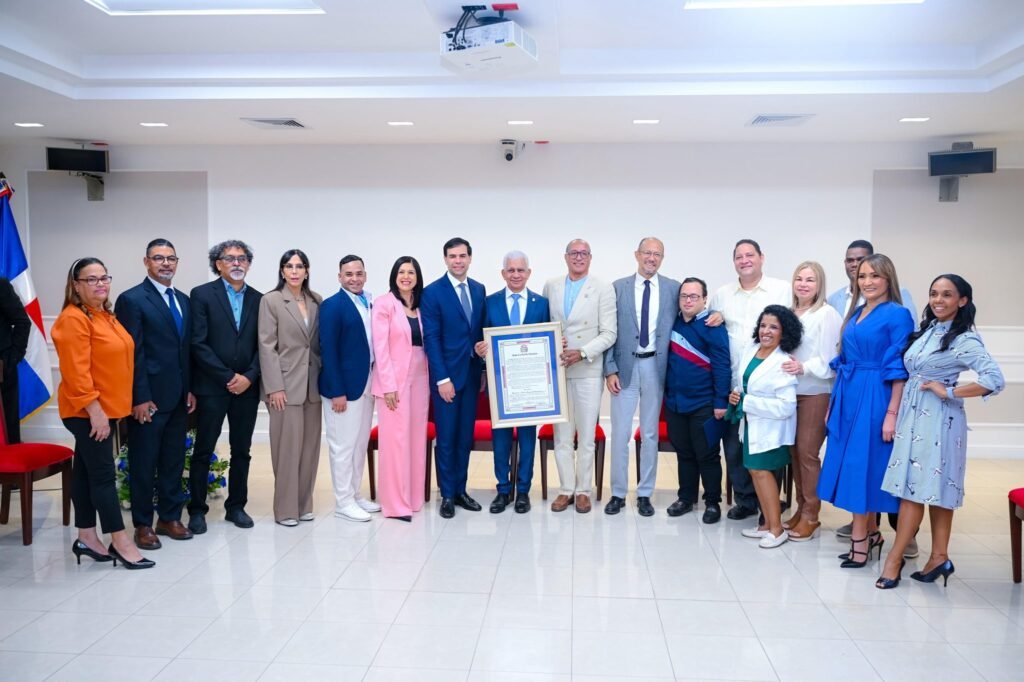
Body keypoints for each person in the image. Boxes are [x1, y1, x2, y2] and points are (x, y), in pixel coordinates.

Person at [876, 275, 1004, 589]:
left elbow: (994, 379)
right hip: (914, 416)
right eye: (934, 293)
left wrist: (950, 392)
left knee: (914, 491)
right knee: (935, 488)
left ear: (962, 301)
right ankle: (939, 557)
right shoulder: (930, 330)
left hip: (939, 421)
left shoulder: (965, 339)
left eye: (947, 295)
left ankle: (894, 559)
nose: (938, 300)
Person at [53, 258, 153, 569]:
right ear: (76, 285)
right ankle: (120, 542)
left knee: (84, 473)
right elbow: (76, 372)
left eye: (104, 278)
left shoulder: (103, 316)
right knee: (103, 476)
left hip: (105, 410)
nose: (100, 284)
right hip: (86, 412)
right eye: (91, 279)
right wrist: (95, 410)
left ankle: (86, 536)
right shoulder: (73, 319)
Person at [817, 254, 914, 568]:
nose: (868, 282)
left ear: (888, 279)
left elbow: (899, 366)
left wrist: (892, 413)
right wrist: (834, 403)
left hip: (877, 395)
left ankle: (860, 539)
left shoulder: (897, 314)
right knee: (851, 463)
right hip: (849, 392)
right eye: (862, 276)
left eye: (875, 276)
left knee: (864, 467)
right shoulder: (857, 312)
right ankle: (871, 533)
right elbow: (844, 359)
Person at [115, 238, 195, 550]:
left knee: (174, 459)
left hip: (178, 398)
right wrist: (138, 397)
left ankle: (170, 517)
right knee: (144, 463)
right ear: (146, 262)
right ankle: (143, 524)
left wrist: (189, 391)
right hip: (147, 400)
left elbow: (184, 351)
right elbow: (131, 353)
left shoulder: (183, 300)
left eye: (171, 258)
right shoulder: (132, 299)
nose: (165, 264)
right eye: (158, 258)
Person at [707, 239, 790, 521]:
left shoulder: (781, 290)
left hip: (769, 380)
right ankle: (745, 500)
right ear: (734, 262)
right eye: (739, 257)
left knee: (767, 446)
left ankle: (771, 504)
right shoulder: (722, 294)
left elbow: (790, 331)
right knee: (735, 447)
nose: (745, 260)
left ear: (761, 258)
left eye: (750, 255)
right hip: (735, 381)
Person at [188, 240, 262, 533]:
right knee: (204, 449)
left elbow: (264, 345)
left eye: (242, 258)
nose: (236, 263)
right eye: (229, 258)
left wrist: (249, 376)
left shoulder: (259, 299)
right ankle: (197, 510)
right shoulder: (202, 295)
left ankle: (236, 507)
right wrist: (226, 376)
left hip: (248, 387)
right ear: (217, 264)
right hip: (212, 387)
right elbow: (198, 342)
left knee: (241, 449)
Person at [605, 238, 680, 516]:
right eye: (647, 252)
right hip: (625, 368)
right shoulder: (618, 288)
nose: (651, 258)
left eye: (657, 254)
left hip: (656, 369)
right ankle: (617, 493)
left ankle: (645, 493)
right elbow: (609, 330)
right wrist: (609, 368)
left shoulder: (673, 288)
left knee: (649, 433)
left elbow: (691, 313)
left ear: (662, 258)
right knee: (621, 432)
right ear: (637, 255)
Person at [542, 239, 617, 513]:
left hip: (587, 369)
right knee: (562, 434)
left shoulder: (603, 288)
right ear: (565, 257)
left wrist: (583, 352)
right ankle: (565, 489)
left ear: (590, 257)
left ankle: (584, 490)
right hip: (558, 370)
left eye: (583, 253)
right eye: (573, 253)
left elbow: (610, 333)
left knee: (585, 434)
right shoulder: (551, 285)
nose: (578, 257)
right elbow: (543, 325)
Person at [473, 250, 550, 514]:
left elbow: (546, 341)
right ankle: (503, 490)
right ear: (503, 273)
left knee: (528, 438)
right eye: (511, 270)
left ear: (528, 273)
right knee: (501, 439)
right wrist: (480, 349)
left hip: (530, 386)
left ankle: (524, 492)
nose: (516, 275)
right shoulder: (489, 302)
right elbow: (480, 337)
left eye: (521, 270)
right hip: (499, 385)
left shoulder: (542, 304)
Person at [420, 237, 486, 519]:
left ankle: (460, 490)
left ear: (470, 258)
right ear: (445, 259)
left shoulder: (479, 289)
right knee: (446, 439)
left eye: (462, 256)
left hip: (472, 377)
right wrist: (441, 379)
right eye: (452, 256)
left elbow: (481, 332)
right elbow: (431, 340)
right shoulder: (432, 292)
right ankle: (446, 494)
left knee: (463, 438)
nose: (458, 261)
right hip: (446, 380)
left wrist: (482, 364)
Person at [258, 249, 322, 526]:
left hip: (313, 386)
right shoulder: (271, 301)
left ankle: (303, 504)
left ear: (307, 270)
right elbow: (266, 346)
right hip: (284, 386)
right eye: (289, 266)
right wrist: (274, 387)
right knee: (286, 450)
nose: (294, 271)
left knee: (309, 449)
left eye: (299, 266)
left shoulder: (317, 300)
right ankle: (285, 509)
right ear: (282, 271)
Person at [730, 304, 801, 548]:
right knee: (754, 473)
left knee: (762, 473)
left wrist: (747, 402)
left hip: (771, 429)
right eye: (763, 325)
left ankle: (777, 529)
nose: (766, 331)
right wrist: (736, 396)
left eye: (774, 327)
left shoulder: (783, 362)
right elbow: (745, 383)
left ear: (785, 332)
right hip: (751, 426)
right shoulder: (751, 350)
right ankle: (765, 526)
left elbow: (786, 407)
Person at [780, 261, 842, 541]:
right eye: (799, 279)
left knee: (807, 453)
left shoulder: (826, 314)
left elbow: (830, 358)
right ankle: (800, 508)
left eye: (810, 280)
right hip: (789, 392)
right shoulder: (790, 313)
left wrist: (803, 368)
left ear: (820, 286)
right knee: (793, 453)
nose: (803, 284)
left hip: (815, 391)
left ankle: (811, 515)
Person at [319, 255, 382, 522]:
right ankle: (343, 501)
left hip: (366, 384)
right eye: (348, 274)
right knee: (342, 445)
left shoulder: (370, 301)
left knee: (358, 444)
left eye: (358, 273)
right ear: (339, 277)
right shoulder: (332, 306)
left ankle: (355, 495)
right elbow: (328, 350)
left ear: (365, 275)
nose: (354, 278)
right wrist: (337, 391)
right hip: (343, 389)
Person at [663, 277, 731, 523]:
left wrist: (721, 401)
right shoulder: (672, 323)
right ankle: (686, 498)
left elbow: (723, 365)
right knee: (684, 453)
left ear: (704, 299)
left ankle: (712, 502)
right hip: (675, 403)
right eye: (684, 296)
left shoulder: (713, 325)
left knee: (707, 455)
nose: (688, 300)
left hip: (704, 403)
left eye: (694, 296)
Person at [372, 257, 429, 522]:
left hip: (421, 378)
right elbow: (380, 348)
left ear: (417, 277)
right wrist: (388, 385)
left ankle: (413, 498)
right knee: (395, 442)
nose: (406, 276)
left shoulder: (420, 305)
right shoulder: (384, 304)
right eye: (401, 271)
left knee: (416, 439)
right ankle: (395, 504)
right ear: (394, 275)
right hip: (394, 381)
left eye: (411, 272)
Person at [0, 277, 31, 444]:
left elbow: (22, 322)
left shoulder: (1, 285)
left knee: (7, 432)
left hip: (2, 370)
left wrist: (11, 359)